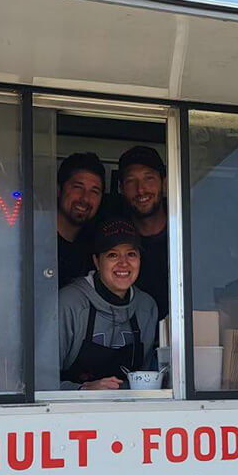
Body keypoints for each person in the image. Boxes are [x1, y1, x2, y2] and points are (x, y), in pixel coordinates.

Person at [58, 219, 158, 390]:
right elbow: (41, 383)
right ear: (96, 261)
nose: (123, 263)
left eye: (131, 254)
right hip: (72, 411)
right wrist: (83, 390)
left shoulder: (146, 307)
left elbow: (145, 380)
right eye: (113, 254)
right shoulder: (69, 303)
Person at [118, 145, 169, 320]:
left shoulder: (186, 234)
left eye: (149, 178)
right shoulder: (114, 240)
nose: (141, 189)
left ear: (165, 183)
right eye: (131, 181)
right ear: (121, 189)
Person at [56, 152, 105, 288]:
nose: (85, 198)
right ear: (58, 190)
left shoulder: (94, 247)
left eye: (94, 191)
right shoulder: (33, 240)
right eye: (78, 187)